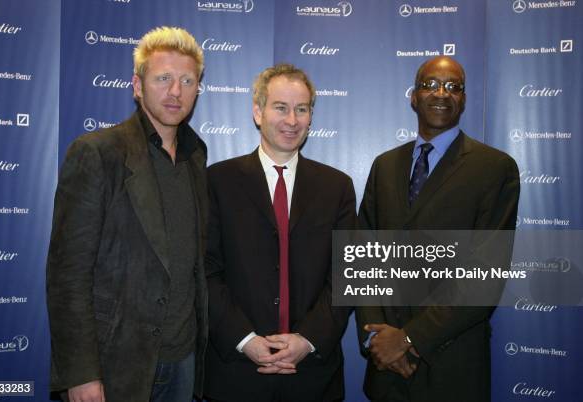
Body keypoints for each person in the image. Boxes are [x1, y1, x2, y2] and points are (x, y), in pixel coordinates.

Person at [46, 26, 208, 402]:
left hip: (183, 360)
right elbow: (67, 275)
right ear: (137, 85)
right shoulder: (97, 153)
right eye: (163, 78)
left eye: (187, 80)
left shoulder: (196, 156)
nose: (175, 91)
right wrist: (82, 374)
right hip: (115, 364)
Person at [356, 56, 520, 402]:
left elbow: (485, 277)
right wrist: (376, 339)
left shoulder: (495, 168)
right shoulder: (384, 166)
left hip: (452, 370)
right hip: (385, 371)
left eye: (454, 86)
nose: (441, 93)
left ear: (463, 99)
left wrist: (409, 339)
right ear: (413, 97)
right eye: (430, 84)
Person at [203, 64, 356, 402]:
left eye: (302, 109)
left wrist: (307, 340)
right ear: (258, 112)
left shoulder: (337, 187)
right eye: (281, 107)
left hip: (313, 376)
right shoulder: (217, 181)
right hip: (236, 374)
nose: (292, 120)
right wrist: (246, 340)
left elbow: (346, 276)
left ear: (311, 117)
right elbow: (205, 271)